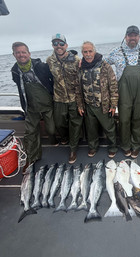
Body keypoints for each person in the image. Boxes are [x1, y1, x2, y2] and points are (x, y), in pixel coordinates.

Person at [106, 25, 140, 158]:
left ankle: (136, 145)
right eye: (130, 35)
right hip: (123, 91)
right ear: (125, 37)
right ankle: (125, 146)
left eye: (135, 35)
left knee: (139, 118)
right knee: (124, 119)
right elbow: (101, 63)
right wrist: (81, 62)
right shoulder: (116, 52)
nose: (132, 38)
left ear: (138, 37)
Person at [11, 42, 58, 173]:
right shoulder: (15, 70)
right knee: (30, 133)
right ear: (14, 54)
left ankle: (54, 141)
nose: (21, 55)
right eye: (18, 52)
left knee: (51, 129)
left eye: (23, 52)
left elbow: (52, 80)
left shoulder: (41, 66)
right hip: (31, 107)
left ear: (29, 54)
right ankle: (32, 158)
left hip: (47, 104)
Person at [46, 34, 84, 164]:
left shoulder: (76, 59)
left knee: (75, 123)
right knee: (60, 123)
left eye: (61, 43)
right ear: (52, 46)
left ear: (66, 45)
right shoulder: (49, 61)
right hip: (59, 98)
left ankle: (73, 149)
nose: (58, 46)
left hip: (74, 98)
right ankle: (65, 137)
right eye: (55, 43)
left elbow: (82, 77)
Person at [79, 41, 118, 158]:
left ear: (94, 51)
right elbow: (78, 88)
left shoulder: (105, 66)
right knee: (91, 130)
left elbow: (113, 86)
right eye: (85, 52)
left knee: (109, 128)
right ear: (82, 53)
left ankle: (112, 147)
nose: (88, 54)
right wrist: (80, 105)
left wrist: (113, 104)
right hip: (88, 105)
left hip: (103, 105)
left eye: (90, 51)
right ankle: (93, 147)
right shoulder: (80, 67)